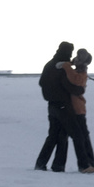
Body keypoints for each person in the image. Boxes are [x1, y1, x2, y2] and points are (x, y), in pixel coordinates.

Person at [34, 41, 76, 170]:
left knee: (52, 136)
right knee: (62, 136)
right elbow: (69, 85)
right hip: (63, 106)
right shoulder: (63, 67)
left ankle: (41, 163)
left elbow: (41, 82)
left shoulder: (50, 64)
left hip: (51, 105)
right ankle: (58, 165)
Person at [65, 48, 94, 172]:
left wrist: (66, 66)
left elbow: (76, 80)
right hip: (76, 108)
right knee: (82, 135)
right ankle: (89, 163)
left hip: (77, 108)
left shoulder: (81, 70)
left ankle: (87, 164)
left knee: (81, 136)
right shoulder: (78, 67)